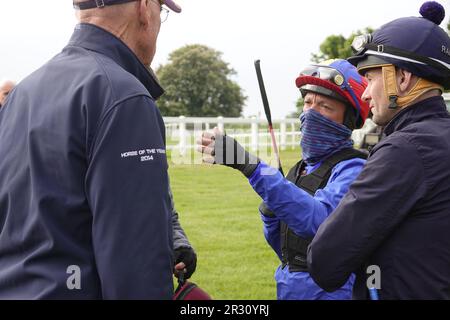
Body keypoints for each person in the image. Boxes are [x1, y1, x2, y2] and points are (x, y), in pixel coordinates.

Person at [0, 0, 191, 299]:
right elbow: (136, 268)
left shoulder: (23, 93)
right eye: (161, 11)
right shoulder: (123, 96)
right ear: (144, 8)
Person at [307, 1, 450, 300]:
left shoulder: (405, 149)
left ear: (402, 77)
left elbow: (325, 262)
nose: (366, 92)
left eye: (370, 79)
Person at [198, 59, 370, 299]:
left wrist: (252, 167)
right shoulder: (301, 169)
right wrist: (269, 215)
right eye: (308, 102)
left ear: (348, 119)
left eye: (324, 106)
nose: (310, 112)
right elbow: (288, 250)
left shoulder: (354, 168)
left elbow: (320, 223)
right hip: (289, 288)